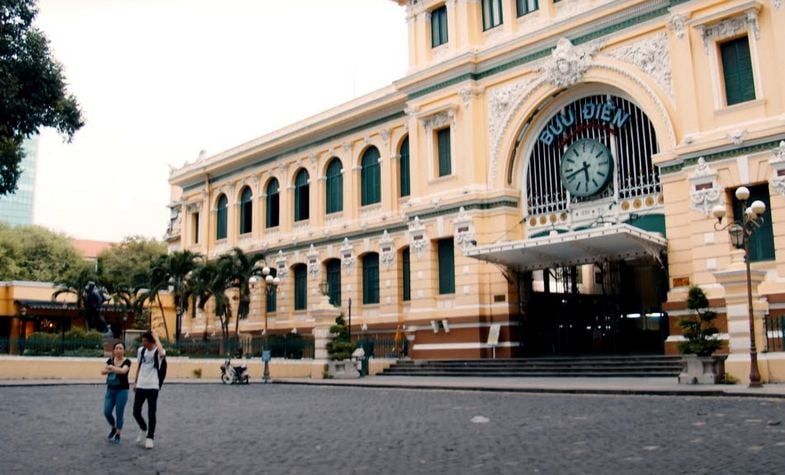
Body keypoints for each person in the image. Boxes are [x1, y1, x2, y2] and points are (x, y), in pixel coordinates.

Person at [133, 330, 165, 449]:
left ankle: (150, 437)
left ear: (151, 341)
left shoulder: (157, 351)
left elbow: (162, 354)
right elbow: (139, 366)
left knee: (151, 413)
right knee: (136, 411)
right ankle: (143, 428)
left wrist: (156, 338)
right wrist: (135, 382)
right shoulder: (141, 351)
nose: (143, 343)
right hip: (141, 384)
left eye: (145, 341)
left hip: (152, 386)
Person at [101, 341, 131, 444]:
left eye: (120, 348)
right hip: (111, 389)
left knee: (119, 412)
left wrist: (112, 368)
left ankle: (118, 433)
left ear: (124, 350)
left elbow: (124, 371)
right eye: (116, 348)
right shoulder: (110, 360)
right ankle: (113, 427)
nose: (118, 350)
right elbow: (103, 371)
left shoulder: (127, 361)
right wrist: (113, 369)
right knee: (107, 411)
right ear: (113, 350)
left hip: (122, 390)